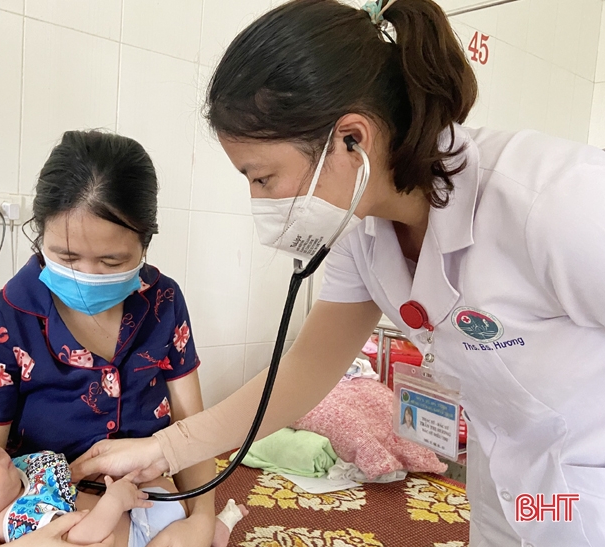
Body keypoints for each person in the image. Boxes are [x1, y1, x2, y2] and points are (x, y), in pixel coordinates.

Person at [69, 1, 605, 546]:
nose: (258, 200)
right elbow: (306, 369)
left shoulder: (556, 203)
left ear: (352, 139)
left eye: (263, 177)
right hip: (516, 487)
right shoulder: (366, 237)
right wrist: (168, 447)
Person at [0, 130, 218, 547]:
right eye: (67, 257)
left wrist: (203, 516)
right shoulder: (3, 323)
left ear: (145, 244)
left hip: (145, 502)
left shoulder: (163, 302)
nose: (87, 275)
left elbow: (191, 425)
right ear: (39, 234)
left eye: (111, 260)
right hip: (39, 513)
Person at [0, 430, 245, 547]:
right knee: (179, 542)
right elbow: (83, 533)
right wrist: (113, 503)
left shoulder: (13, 476)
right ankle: (216, 532)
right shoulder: (15, 522)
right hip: (135, 538)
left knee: (160, 480)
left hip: (136, 508)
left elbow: (65, 477)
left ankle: (209, 526)